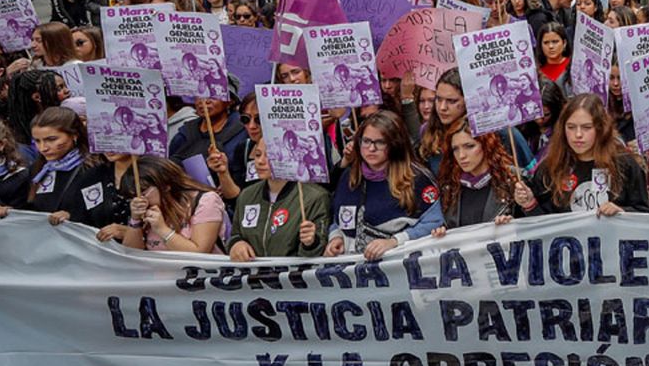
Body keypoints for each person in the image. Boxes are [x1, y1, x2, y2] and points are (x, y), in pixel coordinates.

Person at [330, 111, 443, 261]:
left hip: (398, 269)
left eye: (380, 142)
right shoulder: (349, 177)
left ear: (395, 143)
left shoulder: (418, 179)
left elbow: (435, 222)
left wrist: (395, 241)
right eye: (366, 141)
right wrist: (335, 237)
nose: (371, 149)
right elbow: (337, 220)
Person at [519, 93, 649, 217]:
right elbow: (542, 226)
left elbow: (644, 216)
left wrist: (622, 212)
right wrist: (529, 204)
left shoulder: (624, 164)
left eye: (586, 127)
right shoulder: (550, 168)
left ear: (600, 128)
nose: (578, 135)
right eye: (571, 127)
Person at [226, 139, 332, 260]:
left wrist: (310, 243)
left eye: (270, 156)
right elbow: (235, 234)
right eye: (258, 154)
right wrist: (236, 244)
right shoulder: (246, 195)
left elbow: (319, 251)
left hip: (292, 276)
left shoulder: (315, 197)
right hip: (253, 276)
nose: (260, 161)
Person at [26, 107, 122, 228]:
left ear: (74, 135)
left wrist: (72, 217)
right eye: (37, 141)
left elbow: (102, 216)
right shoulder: (39, 169)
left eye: (51, 139)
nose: (43, 148)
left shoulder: (94, 168)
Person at [118, 156, 225, 254]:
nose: (140, 200)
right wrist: (135, 220)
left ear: (165, 186)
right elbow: (131, 254)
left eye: (144, 193)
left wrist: (161, 229)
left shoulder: (205, 200)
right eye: (133, 197)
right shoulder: (148, 210)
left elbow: (199, 252)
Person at [434, 127, 533, 231]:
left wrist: (516, 222)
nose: (461, 155)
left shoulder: (514, 179)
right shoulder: (449, 187)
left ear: (487, 145)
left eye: (469, 146)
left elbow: (539, 226)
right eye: (455, 149)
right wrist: (441, 234)